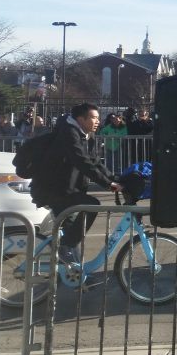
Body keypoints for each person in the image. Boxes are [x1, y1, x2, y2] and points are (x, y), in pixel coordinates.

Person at [31, 103, 119, 265]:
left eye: (98, 118)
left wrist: (115, 179)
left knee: (70, 233)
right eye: (93, 118)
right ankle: (67, 254)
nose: (97, 121)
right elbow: (81, 161)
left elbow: (95, 162)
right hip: (53, 190)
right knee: (92, 206)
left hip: (67, 190)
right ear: (80, 119)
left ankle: (73, 272)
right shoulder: (68, 133)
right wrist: (108, 185)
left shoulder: (87, 135)